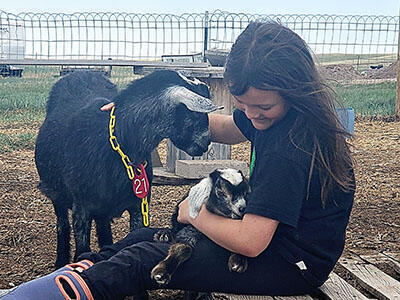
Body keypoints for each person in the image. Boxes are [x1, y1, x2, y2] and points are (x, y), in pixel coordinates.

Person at [1, 20, 355, 300]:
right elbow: (229, 127)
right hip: (272, 246)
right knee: (143, 234)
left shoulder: (292, 148)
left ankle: (49, 295)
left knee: (143, 261)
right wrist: (134, 114)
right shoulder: (278, 116)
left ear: (296, 90)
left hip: (289, 265)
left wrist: (192, 214)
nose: (252, 115)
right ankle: (79, 272)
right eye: (243, 104)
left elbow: (251, 241)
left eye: (261, 107)